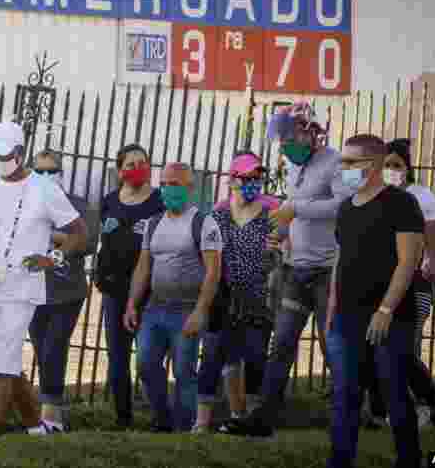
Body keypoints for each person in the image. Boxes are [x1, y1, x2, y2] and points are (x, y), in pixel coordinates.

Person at [226, 102, 353, 437]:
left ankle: (351, 413)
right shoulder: (294, 168)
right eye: (280, 141)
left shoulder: (337, 162)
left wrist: (295, 207)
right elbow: (295, 214)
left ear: (310, 131)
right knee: (281, 343)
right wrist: (279, 234)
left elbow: (343, 206)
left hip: (328, 271)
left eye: (288, 138)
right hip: (296, 270)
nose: (283, 146)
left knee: (333, 345)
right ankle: (264, 417)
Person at [0, 122, 86, 436]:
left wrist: (52, 258)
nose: (0, 160)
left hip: (24, 289)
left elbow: (79, 233)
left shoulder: (45, 189)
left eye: (6, 154)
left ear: (20, 152)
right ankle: (39, 427)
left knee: (4, 362)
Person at [326, 134, 423, 468]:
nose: (344, 168)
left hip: (391, 317)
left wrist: (386, 309)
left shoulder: (401, 203)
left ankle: (410, 459)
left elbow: (408, 261)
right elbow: (341, 260)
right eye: (343, 161)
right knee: (344, 395)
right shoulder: (345, 209)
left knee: (394, 392)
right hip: (346, 317)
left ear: (373, 164)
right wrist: (331, 309)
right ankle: (340, 461)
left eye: (350, 162)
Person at [124, 162, 222, 432]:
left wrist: (200, 312)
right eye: (164, 184)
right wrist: (132, 303)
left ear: (190, 188)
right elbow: (143, 266)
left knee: (183, 372)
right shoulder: (154, 223)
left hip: (187, 309)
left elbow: (214, 272)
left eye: (175, 184)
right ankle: (163, 419)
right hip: (155, 308)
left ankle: (182, 428)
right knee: (144, 364)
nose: (168, 189)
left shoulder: (204, 223)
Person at [360, 139, 435, 428]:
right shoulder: (376, 195)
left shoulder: (421, 196)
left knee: (400, 349)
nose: (390, 170)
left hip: (416, 284)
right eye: (385, 165)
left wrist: (431, 263)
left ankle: (428, 404)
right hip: (379, 285)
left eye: (396, 165)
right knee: (372, 345)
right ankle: (378, 410)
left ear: (407, 168)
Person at [195, 152, 277, 432]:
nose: (254, 183)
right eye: (247, 178)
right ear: (233, 180)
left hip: (257, 293)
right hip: (223, 294)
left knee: (255, 355)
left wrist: (275, 255)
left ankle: (252, 418)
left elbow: (282, 249)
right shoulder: (218, 214)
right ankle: (203, 421)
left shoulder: (271, 212)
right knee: (214, 355)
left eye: (257, 178)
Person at [95, 144, 164, 429]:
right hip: (113, 290)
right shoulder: (109, 201)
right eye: (131, 164)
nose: (137, 169)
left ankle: (162, 416)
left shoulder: (159, 202)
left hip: (150, 291)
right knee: (118, 358)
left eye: (143, 163)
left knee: (148, 357)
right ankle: (123, 418)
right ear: (120, 171)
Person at [27, 150, 92, 433]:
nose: (44, 176)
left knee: (54, 346)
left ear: (60, 173)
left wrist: (49, 236)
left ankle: (51, 417)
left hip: (68, 291)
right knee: (43, 350)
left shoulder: (76, 204)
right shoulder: (26, 203)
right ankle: (51, 410)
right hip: (33, 289)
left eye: (50, 170)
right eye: (38, 170)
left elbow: (87, 241)